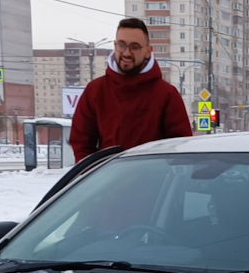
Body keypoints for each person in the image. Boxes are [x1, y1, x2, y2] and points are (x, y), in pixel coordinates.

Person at [70, 17, 192, 163]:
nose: (127, 53)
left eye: (134, 47)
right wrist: (91, 175)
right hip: (106, 182)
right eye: (121, 45)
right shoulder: (95, 90)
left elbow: (180, 148)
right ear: (115, 45)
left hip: (152, 183)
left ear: (148, 51)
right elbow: (81, 143)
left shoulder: (166, 95)